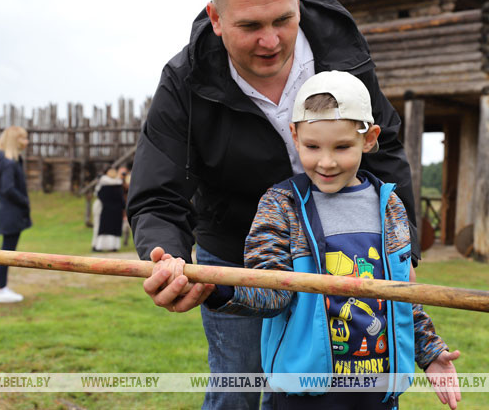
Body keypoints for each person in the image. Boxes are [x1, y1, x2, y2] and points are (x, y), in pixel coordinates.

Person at [126, 0, 419, 410]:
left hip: (346, 254)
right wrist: (171, 261)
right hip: (234, 258)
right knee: (237, 389)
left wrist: (400, 251)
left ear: (298, 2)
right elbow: (156, 196)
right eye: (250, 25)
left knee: (346, 392)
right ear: (216, 18)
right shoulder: (184, 80)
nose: (271, 40)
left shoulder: (343, 54)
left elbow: (383, 151)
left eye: (282, 19)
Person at [183, 71, 461, 409]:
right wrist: (219, 287)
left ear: (370, 139)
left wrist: (430, 352)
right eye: (312, 147)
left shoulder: (390, 206)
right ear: (295, 137)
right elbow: (270, 291)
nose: (326, 162)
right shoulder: (281, 205)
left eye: (342, 147)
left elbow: (403, 296)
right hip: (303, 396)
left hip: (377, 394)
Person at [0, 125, 31, 303]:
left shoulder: (9, 161)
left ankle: (1, 287)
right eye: (23, 138)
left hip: (8, 212)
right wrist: (23, 200)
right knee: (6, 253)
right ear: (15, 141)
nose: (26, 142)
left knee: (7, 251)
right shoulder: (8, 163)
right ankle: (0, 289)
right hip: (11, 214)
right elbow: (6, 188)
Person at [92, 168, 125, 252]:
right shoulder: (119, 185)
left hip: (106, 209)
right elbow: (121, 199)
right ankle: (114, 246)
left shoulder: (103, 185)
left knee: (104, 228)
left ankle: (99, 246)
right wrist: (123, 207)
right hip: (117, 210)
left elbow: (98, 195)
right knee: (114, 228)